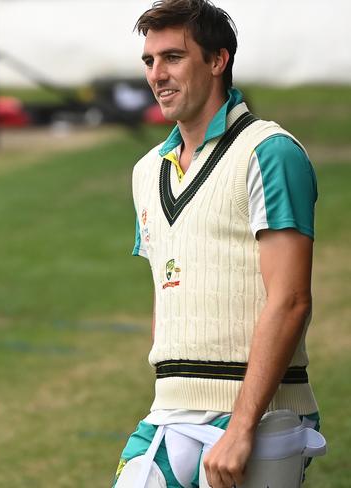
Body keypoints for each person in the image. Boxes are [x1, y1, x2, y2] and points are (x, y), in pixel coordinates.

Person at [112, 1, 322, 487]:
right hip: (171, 410)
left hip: (265, 415)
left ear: (217, 60)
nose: (157, 74)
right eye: (149, 61)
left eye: (173, 58)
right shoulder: (147, 171)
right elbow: (168, 293)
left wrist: (244, 426)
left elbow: (291, 300)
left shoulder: (270, 152)